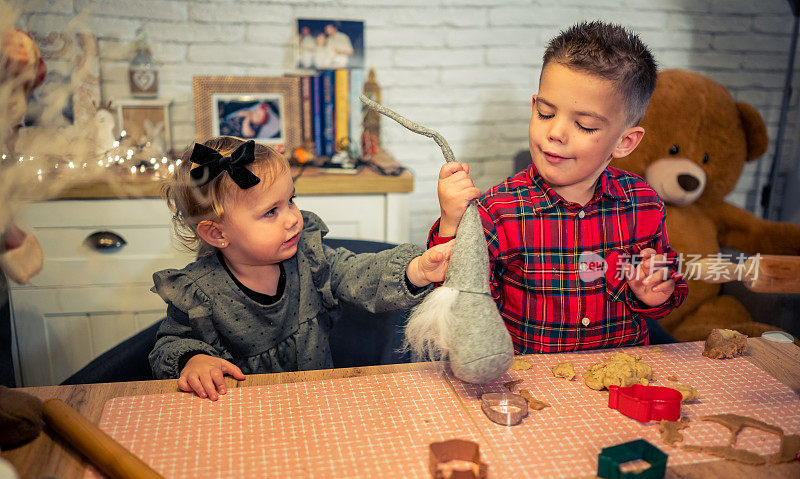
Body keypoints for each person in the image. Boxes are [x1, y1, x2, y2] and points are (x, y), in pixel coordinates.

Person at [430, 21, 688, 355]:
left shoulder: (643, 202)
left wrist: (656, 293)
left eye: (585, 125)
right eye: (546, 113)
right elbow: (461, 310)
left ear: (624, 142)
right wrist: (451, 224)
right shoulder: (496, 211)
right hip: (531, 389)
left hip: (620, 382)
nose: (556, 133)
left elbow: (670, 285)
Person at [150, 136, 454, 400]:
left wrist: (416, 270)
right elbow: (168, 345)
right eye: (271, 212)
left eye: (290, 200)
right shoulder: (197, 292)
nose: (293, 218)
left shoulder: (309, 258)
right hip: (241, 417)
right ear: (217, 233)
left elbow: (359, 272)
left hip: (315, 404)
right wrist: (193, 359)